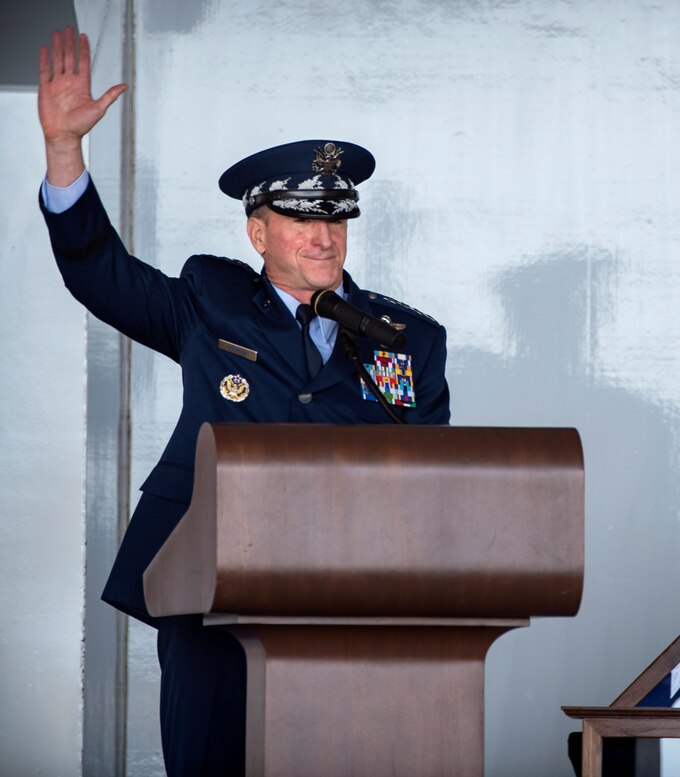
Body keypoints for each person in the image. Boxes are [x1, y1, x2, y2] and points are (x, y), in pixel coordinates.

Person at [38, 27, 451, 776]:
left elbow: (433, 476)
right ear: (258, 232)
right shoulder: (211, 301)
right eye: (302, 219)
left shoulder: (405, 339)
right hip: (207, 590)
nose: (323, 237)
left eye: (334, 218)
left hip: (345, 603)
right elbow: (101, 274)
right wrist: (65, 151)